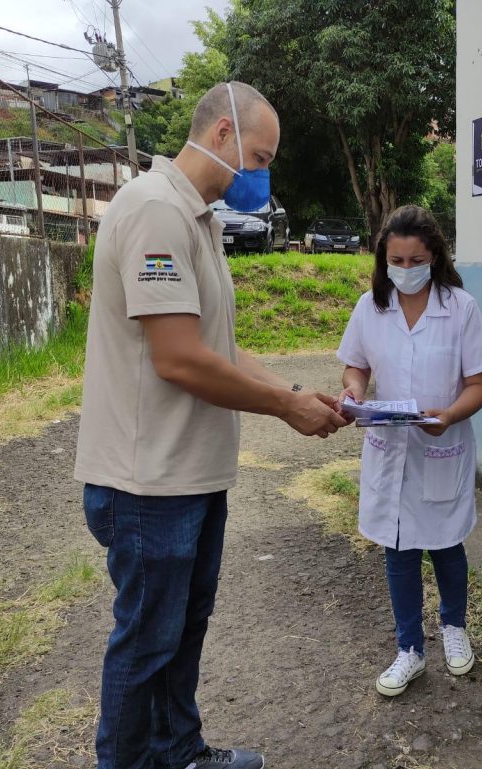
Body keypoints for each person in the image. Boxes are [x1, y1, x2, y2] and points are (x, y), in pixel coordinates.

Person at [74, 81, 347, 769]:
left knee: (182, 630)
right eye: (259, 156)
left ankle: (178, 750)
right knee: (146, 643)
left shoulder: (198, 219)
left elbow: (217, 349)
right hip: (148, 481)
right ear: (222, 133)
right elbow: (178, 359)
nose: (261, 174)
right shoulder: (155, 211)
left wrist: (288, 389)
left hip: (189, 474)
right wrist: (285, 408)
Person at [337, 205, 482, 697]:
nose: (405, 270)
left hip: (440, 444)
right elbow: (355, 366)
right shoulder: (371, 306)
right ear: (383, 259)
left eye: (416, 259)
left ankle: (454, 628)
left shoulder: (460, 307)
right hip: (389, 447)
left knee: (447, 543)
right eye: (396, 260)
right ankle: (409, 648)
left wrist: (448, 415)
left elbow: (479, 383)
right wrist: (354, 394)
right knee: (399, 547)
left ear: (435, 257)